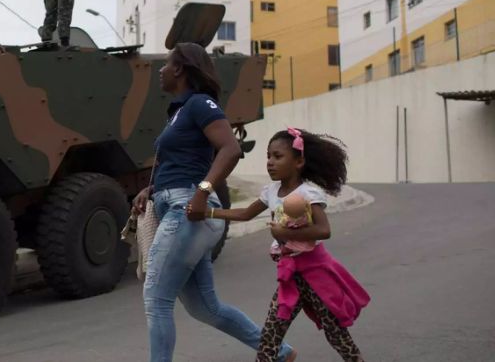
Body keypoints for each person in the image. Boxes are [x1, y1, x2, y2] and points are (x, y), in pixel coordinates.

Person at [131, 42, 296, 362]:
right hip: (177, 205)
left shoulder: (199, 104)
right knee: (206, 308)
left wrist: (203, 190)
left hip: (186, 211)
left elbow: (230, 148)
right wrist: (149, 189)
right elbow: (183, 162)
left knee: (156, 300)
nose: (161, 71)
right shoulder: (179, 112)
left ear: (180, 69)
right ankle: (279, 352)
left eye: (166, 64)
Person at [206, 128, 370, 361]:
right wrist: (209, 211)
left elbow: (324, 230)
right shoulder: (271, 191)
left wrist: (283, 231)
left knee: (336, 335)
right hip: (290, 276)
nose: (270, 163)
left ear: (299, 161)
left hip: (315, 275)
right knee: (270, 337)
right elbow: (244, 214)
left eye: (277, 156)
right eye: (268, 156)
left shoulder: (307, 193)